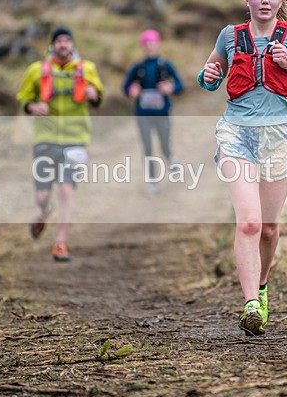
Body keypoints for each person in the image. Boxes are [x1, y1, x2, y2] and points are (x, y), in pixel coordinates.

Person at [197, 0, 287, 335]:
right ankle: (250, 304)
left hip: (279, 136)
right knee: (250, 222)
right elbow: (210, 74)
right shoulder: (229, 36)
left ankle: (262, 286)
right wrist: (207, 78)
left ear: (280, 0)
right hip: (235, 134)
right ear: (247, 0)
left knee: (269, 229)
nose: (265, 0)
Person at [16, 26, 104, 261]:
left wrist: (93, 94)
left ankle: (60, 243)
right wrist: (34, 107)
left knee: (66, 190)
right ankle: (44, 211)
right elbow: (24, 97)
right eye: (59, 41)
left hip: (75, 140)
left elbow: (98, 96)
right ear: (53, 45)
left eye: (67, 40)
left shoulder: (87, 69)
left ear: (73, 45)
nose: (63, 44)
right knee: (43, 195)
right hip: (45, 139)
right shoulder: (36, 70)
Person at [122, 29, 184, 195]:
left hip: (162, 114)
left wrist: (171, 88)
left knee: (164, 146)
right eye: (146, 44)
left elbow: (180, 85)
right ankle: (153, 182)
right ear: (142, 46)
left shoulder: (165, 65)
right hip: (143, 114)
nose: (149, 47)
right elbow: (126, 86)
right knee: (148, 148)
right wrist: (131, 90)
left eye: (152, 43)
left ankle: (170, 158)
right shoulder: (138, 67)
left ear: (158, 45)